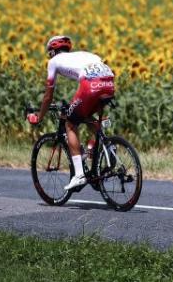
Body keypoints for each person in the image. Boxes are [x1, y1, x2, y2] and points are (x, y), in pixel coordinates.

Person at [27, 35, 115, 191]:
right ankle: (108, 148)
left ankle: (79, 175)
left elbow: (48, 96)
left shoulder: (53, 62)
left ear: (53, 52)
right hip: (109, 82)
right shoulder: (85, 55)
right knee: (85, 115)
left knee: (70, 123)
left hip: (91, 85)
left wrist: (39, 116)